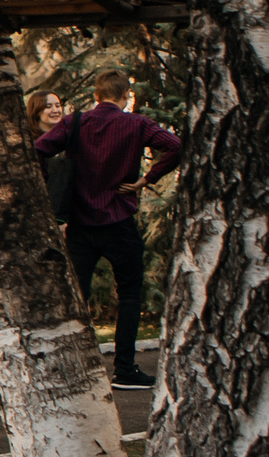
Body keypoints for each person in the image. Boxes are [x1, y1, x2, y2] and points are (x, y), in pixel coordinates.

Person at [35, 69, 183, 388]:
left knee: (77, 296)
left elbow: (38, 149)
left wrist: (51, 187)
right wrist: (147, 179)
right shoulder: (137, 123)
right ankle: (125, 369)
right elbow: (176, 146)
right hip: (119, 221)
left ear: (96, 94)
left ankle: (71, 369)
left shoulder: (76, 122)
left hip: (80, 224)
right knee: (130, 294)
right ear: (126, 96)